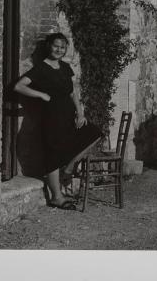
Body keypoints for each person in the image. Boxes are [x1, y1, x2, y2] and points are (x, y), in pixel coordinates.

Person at [14, 33, 102, 210]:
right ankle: (57, 197)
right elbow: (19, 86)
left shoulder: (66, 68)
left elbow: (72, 93)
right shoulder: (40, 68)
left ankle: (69, 166)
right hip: (50, 117)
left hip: (69, 115)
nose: (59, 50)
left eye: (62, 47)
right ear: (49, 46)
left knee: (95, 133)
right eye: (56, 46)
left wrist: (80, 113)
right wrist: (41, 94)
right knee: (52, 155)